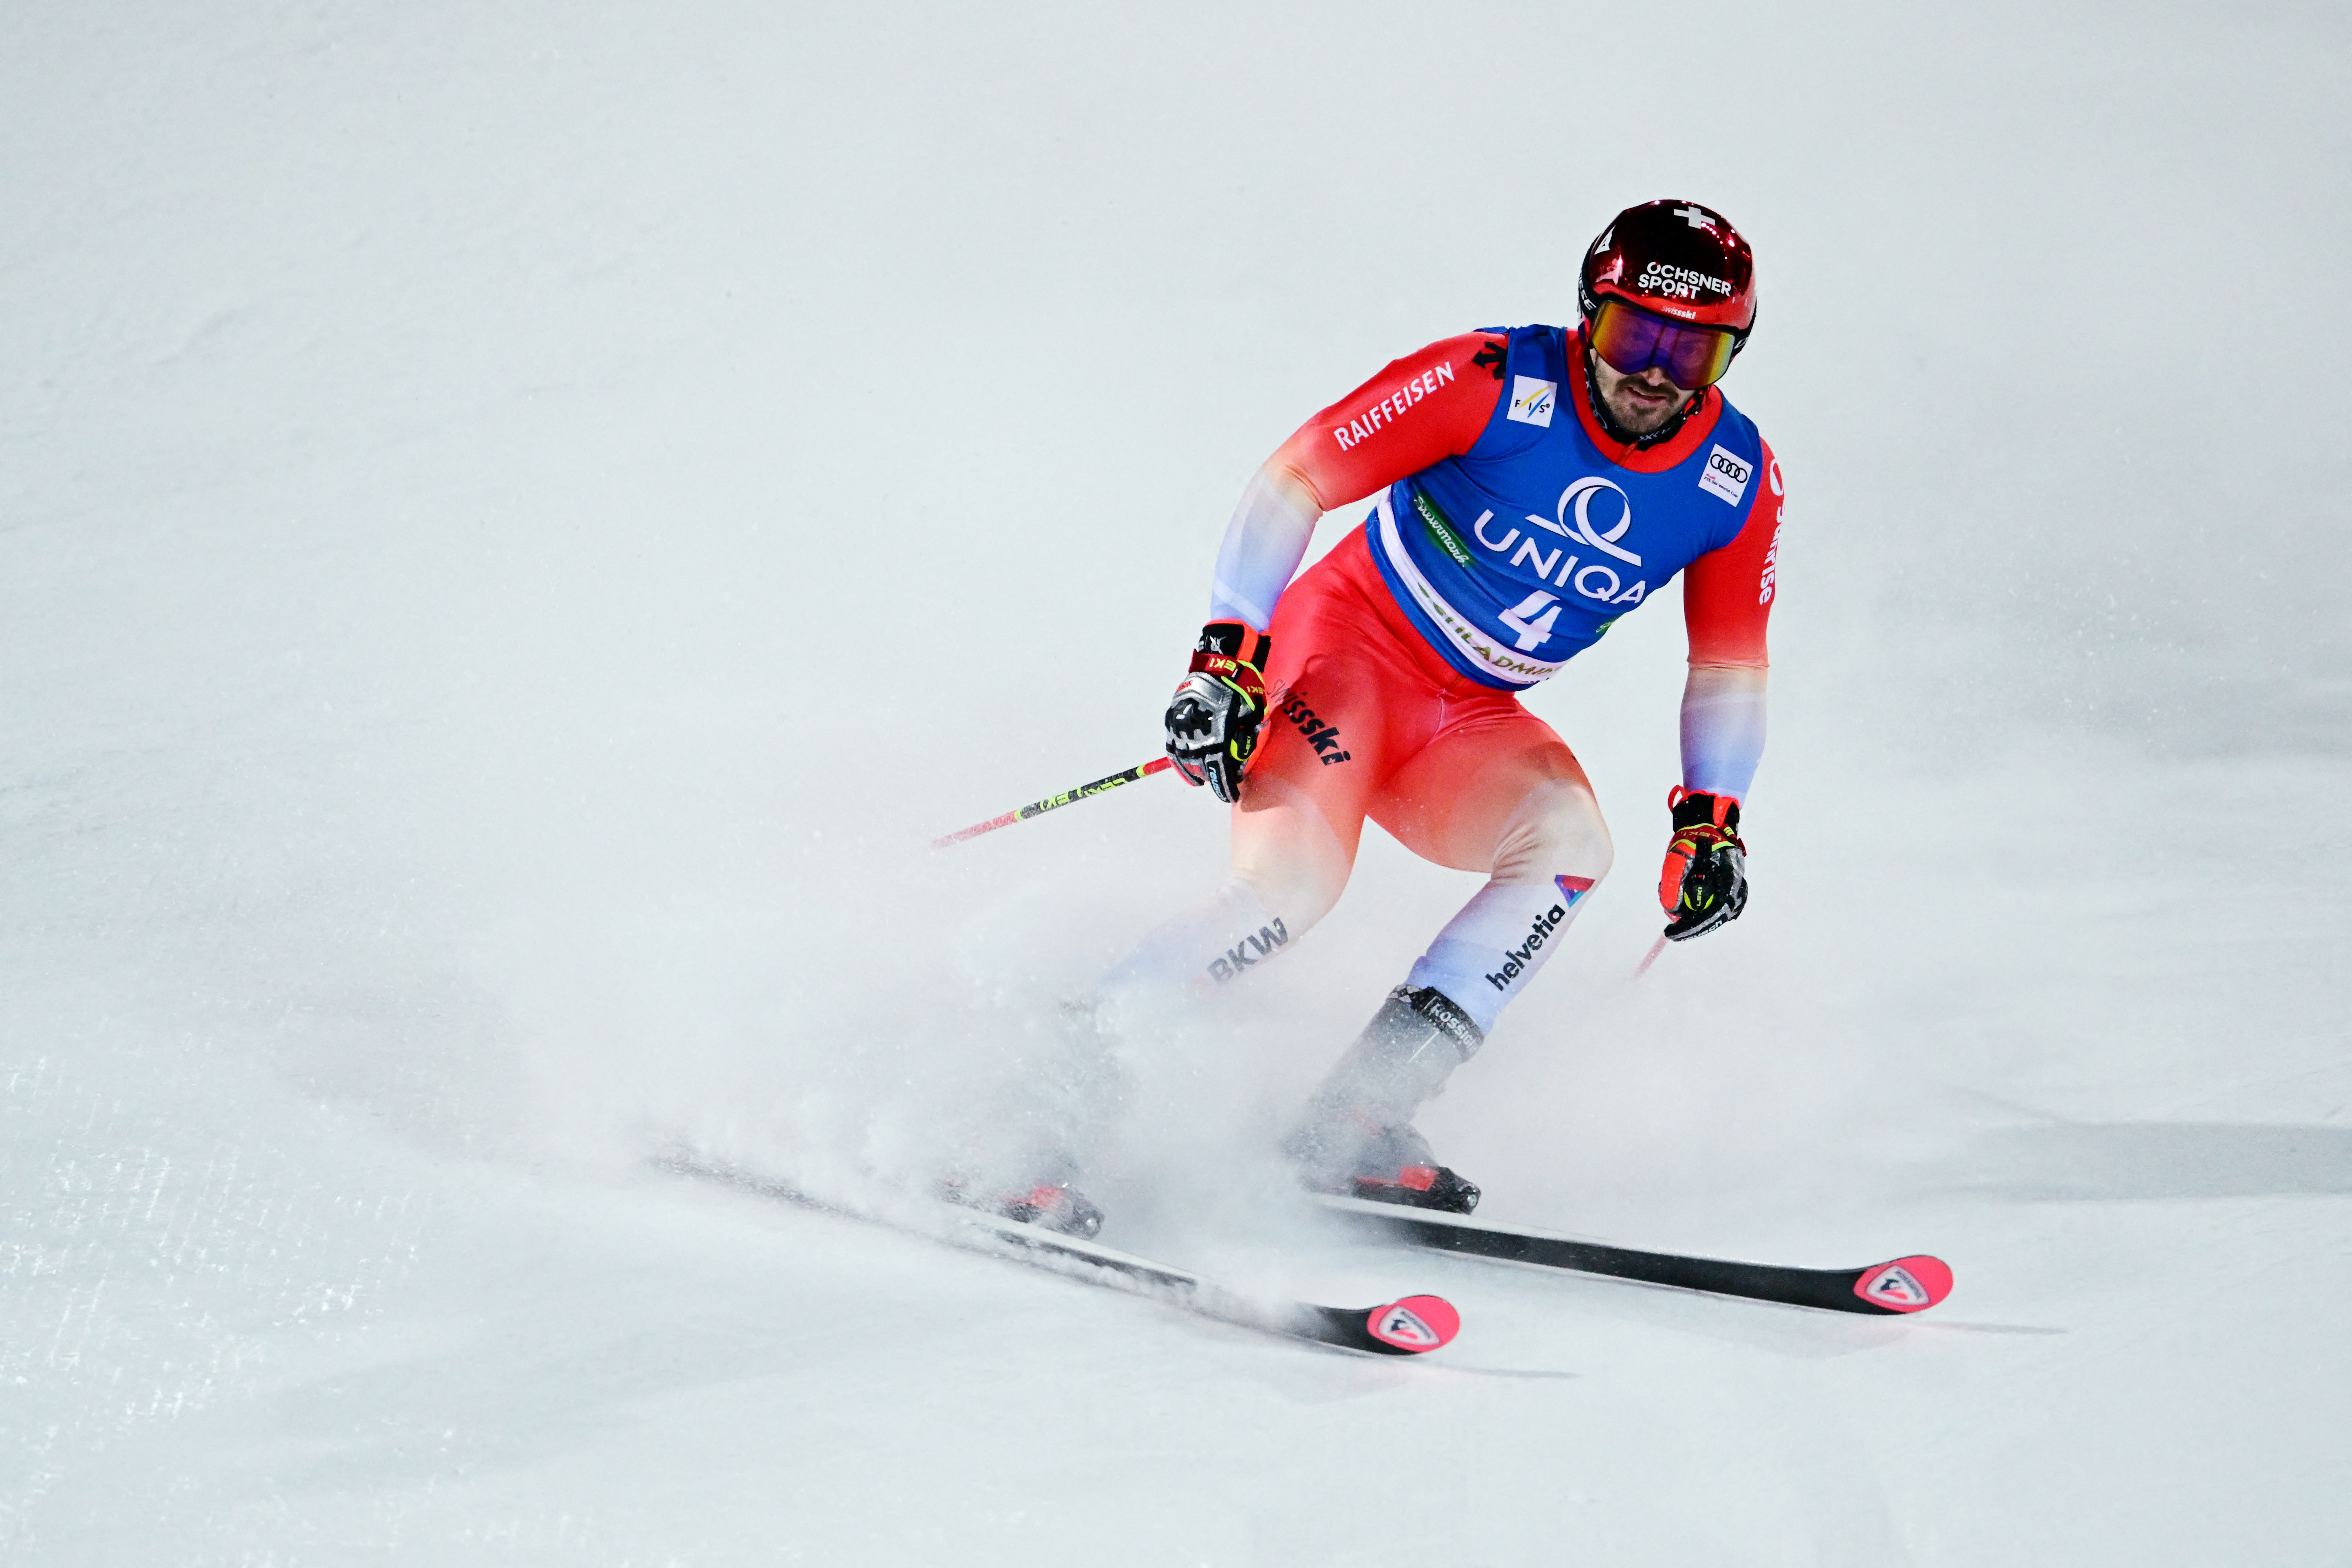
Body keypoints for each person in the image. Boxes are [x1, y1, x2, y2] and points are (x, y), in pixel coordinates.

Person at [978, 199, 1782, 1238]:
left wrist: (1711, 822)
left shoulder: (1735, 481)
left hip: (1465, 715)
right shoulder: (1493, 380)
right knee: (1285, 898)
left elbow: (1729, 664)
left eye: (1696, 353)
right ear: (1589, 315)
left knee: (1572, 850)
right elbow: (1296, 477)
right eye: (1635, 335)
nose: (1657, 375)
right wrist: (1225, 659)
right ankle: (1019, 1125)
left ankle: (1355, 1119)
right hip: (1344, 661)